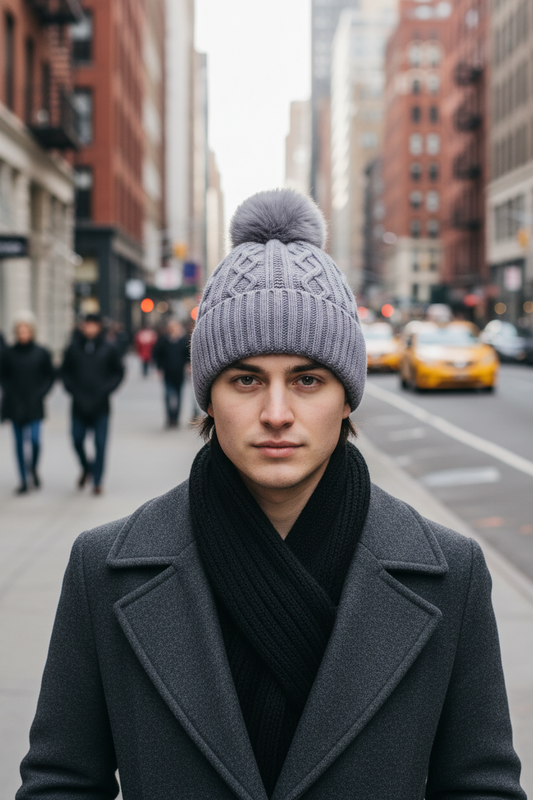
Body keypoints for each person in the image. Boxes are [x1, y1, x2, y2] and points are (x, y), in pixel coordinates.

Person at [17, 190, 525, 799]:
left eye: (307, 379)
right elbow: (61, 782)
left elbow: (481, 786)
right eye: (246, 379)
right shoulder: (102, 569)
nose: (277, 413)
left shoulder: (452, 574)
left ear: (347, 398)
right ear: (209, 397)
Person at [60, 313, 124, 495]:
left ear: (99, 327)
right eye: (87, 325)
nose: (90, 328)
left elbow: (118, 372)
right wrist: (72, 389)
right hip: (79, 405)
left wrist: (106, 389)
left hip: (101, 405)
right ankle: (87, 467)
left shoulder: (108, 348)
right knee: (77, 439)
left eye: (93, 325)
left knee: (100, 444)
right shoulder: (73, 348)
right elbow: (65, 372)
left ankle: (97, 481)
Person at [0, 311, 55, 494]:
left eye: (26, 330)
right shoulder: (8, 353)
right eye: (20, 331)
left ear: (32, 332)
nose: (23, 334)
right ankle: (23, 480)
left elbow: (50, 375)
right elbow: (4, 377)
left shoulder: (41, 352)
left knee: (34, 440)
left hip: (34, 402)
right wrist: (10, 393)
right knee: (18, 444)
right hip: (15, 403)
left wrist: (42, 392)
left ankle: (33, 468)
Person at [153, 318, 189, 427]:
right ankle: (169, 417)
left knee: (178, 396)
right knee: (168, 395)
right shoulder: (163, 340)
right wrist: (159, 368)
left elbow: (188, 354)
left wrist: (188, 365)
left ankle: (176, 418)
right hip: (167, 372)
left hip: (179, 373)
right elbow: (157, 354)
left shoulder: (183, 340)